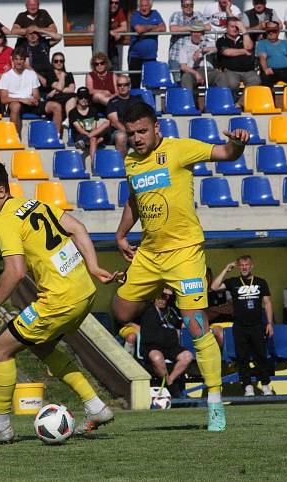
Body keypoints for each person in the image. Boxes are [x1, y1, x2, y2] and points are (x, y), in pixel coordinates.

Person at [111, 101, 252, 431]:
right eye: (131, 134)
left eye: (143, 131)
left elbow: (225, 154)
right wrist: (120, 235)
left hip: (185, 253)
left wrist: (238, 144)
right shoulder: (132, 160)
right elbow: (135, 199)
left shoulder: (180, 149)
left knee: (196, 326)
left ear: (156, 127)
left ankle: (215, 403)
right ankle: (158, 294)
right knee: (120, 311)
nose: (137, 139)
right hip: (148, 254)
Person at [0, 160, 119, 444]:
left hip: (59, 299)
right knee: (43, 347)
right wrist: (93, 267)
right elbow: (79, 228)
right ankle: (96, 407)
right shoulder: (36, 204)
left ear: (0, 191)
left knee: (0, 349)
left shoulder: (4, 221)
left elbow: (15, 272)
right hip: (84, 290)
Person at [212, 256, 274, 397]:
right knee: (242, 358)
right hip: (240, 327)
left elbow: (268, 303)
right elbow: (214, 287)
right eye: (241, 265)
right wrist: (225, 270)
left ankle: (265, 385)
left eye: (247, 265)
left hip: (258, 326)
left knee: (261, 356)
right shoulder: (233, 282)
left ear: (252, 266)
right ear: (238, 267)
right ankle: (247, 387)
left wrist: (270, 323)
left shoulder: (260, 282)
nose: (244, 267)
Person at [139, 288, 193, 398]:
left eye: (165, 297)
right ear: (154, 298)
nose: (162, 300)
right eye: (160, 297)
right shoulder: (147, 311)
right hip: (152, 346)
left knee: (187, 356)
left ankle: (169, 382)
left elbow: (181, 325)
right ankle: (172, 389)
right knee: (157, 357)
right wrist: (174, 334)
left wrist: (183, 327)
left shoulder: (171, 311)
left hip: (170, 347)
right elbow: (151, 336)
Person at [0, 47, 42, 136]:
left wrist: (34, 99)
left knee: (55, 106)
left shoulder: (31, 74)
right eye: (16, 59)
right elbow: (3, 99)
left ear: (24, 60)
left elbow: (36, 95)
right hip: (14, 102)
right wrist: (21, 99)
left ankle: (57, 136)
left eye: (21, 59)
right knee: (16, 106)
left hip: (29, 102)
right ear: (13, 60)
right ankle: (15, 136)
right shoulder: (6, 76)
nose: (18, 62)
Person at [215, 18, 260, 103]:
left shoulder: (245, 38)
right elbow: (227, 52)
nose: (235, 29)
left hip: (248, 70)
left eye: (237, 27)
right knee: (231, 85)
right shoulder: (221, 40)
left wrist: (244, 30)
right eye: (232, 27)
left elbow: (249, 47)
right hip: (231, 70)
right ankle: (233, 102)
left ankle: (239, 103)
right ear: (226, 28)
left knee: (256, 81)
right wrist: (244, 51)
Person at [127, 0, 166, 88]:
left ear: (150, 6)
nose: (144, 8)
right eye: (142, 6)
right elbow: (139, 30)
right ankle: (135, 102)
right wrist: (153, 26)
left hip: (151, 56)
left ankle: (151, 102)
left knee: (152, 83)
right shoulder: (135, 15)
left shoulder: (155, 13)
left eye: (146, 5)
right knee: (135, 84)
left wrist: (146, 29)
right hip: (135, 56)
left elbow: (163, 28)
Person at [168, 0, 210, 79]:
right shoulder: (176, 15)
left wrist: (184, 28)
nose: (188, 8)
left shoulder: (198, 15)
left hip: (193, 56)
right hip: (176, 56)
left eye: (191, 5)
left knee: (194, 81)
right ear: (181, 6)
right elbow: (173, 29)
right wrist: (192, 27)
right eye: (185, 5)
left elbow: (208, 27)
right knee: (179, 82)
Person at [176, 23, 217, 107]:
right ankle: (188, 105)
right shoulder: (185, 47)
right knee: (186, 77)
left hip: (209, 71)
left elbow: (217, 49)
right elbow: (183, 66)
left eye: (199, 32)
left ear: (203, 34)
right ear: (190, 33)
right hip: (193, 71)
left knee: (221, 76)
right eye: (194, 32)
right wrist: (196, 73)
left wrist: (201, 50)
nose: (196, 35)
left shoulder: (210, 43)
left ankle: (221, 104)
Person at [69, 87, 109, 162]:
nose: (84, 99)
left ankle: (93, 163)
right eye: (81, 97)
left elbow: (94, 127)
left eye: (86, 97)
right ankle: (94, 164)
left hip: (88, 136)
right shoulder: (72, 112)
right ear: (77, 98)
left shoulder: (93, 110)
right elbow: (80, 130)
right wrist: (91, 135)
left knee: (107, 123)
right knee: (96, 138)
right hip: (79, 136)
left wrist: (90, 136)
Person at [105, 74, 140, 156]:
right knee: (121, 136)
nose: (122, 87)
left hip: (135, 129)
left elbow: (143, 117)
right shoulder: (112, 102)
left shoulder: (138, 100)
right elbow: (115, 122)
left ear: (129, 86)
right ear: (117, 87)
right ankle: (122, 166)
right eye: (120, 85)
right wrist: (130, 133)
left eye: (125, 85)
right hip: (118, 131)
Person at [45, 52, 76, 122]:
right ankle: (70, 121)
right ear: (52, 63)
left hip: (66, 98)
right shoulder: (50, 74)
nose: (59, 63)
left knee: (73, 97)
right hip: (55, 100)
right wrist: (62, 76)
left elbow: (71, 89)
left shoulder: (69, 74)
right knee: (72, 97)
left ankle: (68, 120)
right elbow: (59, 87)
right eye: (56, 61)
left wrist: (55, 91)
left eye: (61, 61)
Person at [106, 0, 128, 68]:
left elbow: (125, 27)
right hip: (100, 45)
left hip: (113, 45)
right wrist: (110, 33)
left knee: (115, 69)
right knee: (101, 70)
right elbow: (94, 28)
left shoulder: (119, 11)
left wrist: (113, 32)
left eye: (116, 3)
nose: (114, 5)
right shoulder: (102, 10)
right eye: (111, 2)